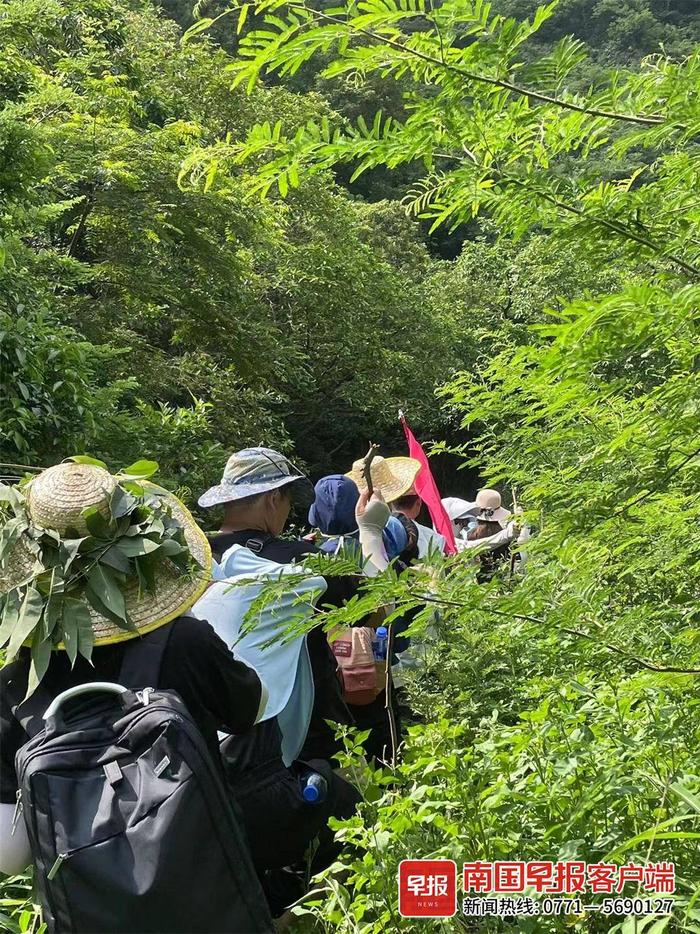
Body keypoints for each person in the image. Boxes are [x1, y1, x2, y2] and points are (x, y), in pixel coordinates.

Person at [0, 462, 269, 930]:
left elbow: (10, 854)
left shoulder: (11, 683)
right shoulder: (186, 640)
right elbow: (249, 711)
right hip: (205, 888)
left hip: (93, 910)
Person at [199, 447, 378, 763]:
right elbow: (377, 602)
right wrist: (370, 529)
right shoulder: (302, 561)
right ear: (273, 498)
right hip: (309, 740)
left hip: (215, 742)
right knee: (359, 799)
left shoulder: (192, 560)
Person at [308, 474, 418, 763]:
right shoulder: (380, 547)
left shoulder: (309, 563)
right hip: (379, 676)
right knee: (385, 750)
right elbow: (400, 624)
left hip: (332, 682)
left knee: (346, 752)